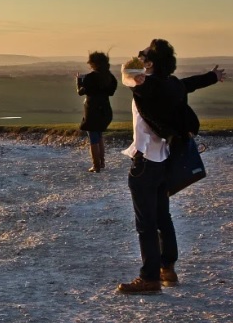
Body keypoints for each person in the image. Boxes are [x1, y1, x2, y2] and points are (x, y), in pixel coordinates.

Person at [118, 38, 226, 294]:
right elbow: (190, 84)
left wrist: (137, 76)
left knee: (145, 223)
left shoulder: (145, 86)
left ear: (151, 63)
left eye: (144, 56)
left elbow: (126, 75)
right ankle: (168, 269)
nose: (140, 58)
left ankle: (149, 278)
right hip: (164, 158)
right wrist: (213, 76)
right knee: (163, 217)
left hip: (145, 161)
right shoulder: (172, 85)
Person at [75, 52, 118, 172]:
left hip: (92, 111)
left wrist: (78, 82)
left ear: (94, 64)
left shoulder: (90, 78)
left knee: (93, 137)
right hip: (105, 110)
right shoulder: (110, 78)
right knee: (99, 135)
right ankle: (102, 162)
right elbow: (110, 92)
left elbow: (80, 92)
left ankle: (96, 165)